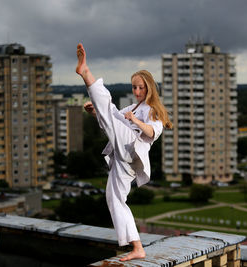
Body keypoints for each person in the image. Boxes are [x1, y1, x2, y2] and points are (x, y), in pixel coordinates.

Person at [75, 43, 172, 261]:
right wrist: (96, 113)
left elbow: (152, 132)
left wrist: (135, 120)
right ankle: (137, 247)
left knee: (109, 112)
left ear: (149, 88)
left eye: (141, 87)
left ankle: (86, 73)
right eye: (134, 87)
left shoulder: (153, 110)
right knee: (114, 199)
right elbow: (111, 122)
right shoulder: (131, 108)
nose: (136, 91)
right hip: (121, 157)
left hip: (132, 148)